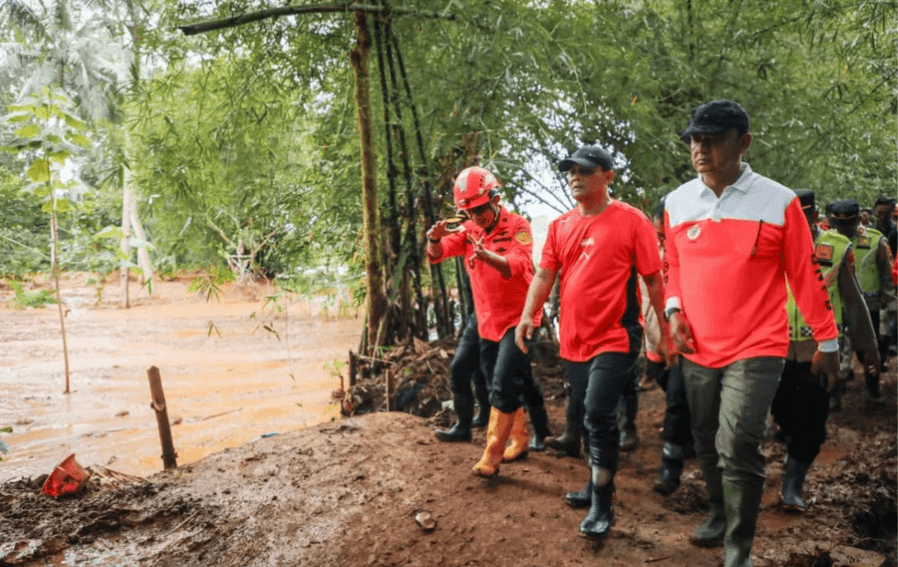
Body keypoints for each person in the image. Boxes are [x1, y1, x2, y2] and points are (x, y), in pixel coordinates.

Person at [663, 100, 839, 567]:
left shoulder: (778, 201)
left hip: (758, 344)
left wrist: (828, 339)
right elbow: (674, 264)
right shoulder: (677, 202)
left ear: (743, 142)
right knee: (704, 436)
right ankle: (720, 514)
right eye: (695, 139)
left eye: (712, 139)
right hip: (697, 343)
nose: (700, 148)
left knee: (738, 439)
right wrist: (673, 308)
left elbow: (804, 274)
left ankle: (739, 547)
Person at [514, 145, 671, 539]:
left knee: (599, 414)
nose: (574, 177)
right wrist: (527, 316)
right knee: (585, 411)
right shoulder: (560, 226)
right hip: (575, 338)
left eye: (584, 170)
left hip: (617, 335)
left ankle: (603, 501)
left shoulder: (632, 221)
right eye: (570, 171)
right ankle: (595, 483)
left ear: (608, 176)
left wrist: (664, 333)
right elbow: (544, 275)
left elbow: (653, 279)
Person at [426, 165, 550, 477]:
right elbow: (439, 254)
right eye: (470, 210)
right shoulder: (469, 230)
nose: (477, 215)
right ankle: (521, 439)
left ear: (495, 199)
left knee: (503, 383)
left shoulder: (518, 226)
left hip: (520, 319)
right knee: (508, 380)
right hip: (487, 320)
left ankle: (491, 456)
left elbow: (518, 266)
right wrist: (434, 240)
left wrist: (486, 256)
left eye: (481, 208)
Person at [770, 189, 879, 513]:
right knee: (783, 413)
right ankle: (790, 440)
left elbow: (853, 301)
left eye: (801, 214)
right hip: (772, 349)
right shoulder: (769, 244)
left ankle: (793, 483)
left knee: (812, 421)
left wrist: (868, 348)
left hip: (820, 350)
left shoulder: (835, 247)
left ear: (813, 213)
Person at [646, 198, 694, 496]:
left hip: (686, 340)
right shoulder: (648, 250)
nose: (662, 240)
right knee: (673, 391)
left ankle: (670, 466)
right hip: (654, 340)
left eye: (666, 234)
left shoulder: (692, 252)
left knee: (677, 400)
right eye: (658, 234)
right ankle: (689, 440)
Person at [828, 199, 894, 402]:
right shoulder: (827, 241)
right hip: (835, 307)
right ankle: (833, 393)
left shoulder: (875, 240)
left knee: (867, 351)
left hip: (868, 306)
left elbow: (886, 271)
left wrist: (887, 297)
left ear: (857, 220)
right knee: (833, 350)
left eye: (847, 225)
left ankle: (873, 387)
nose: (843, 230)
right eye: (838, 225)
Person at [433, 311, 493, 442]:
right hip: (477, 316)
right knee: (459, 367)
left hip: (502, 317)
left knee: (488, 370)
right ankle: (463, 427)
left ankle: (540, 431)